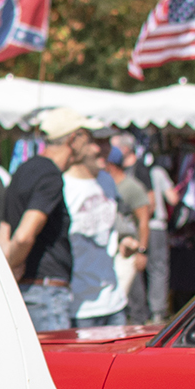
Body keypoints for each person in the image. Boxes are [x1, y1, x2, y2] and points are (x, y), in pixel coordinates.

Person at [0, 108, 96, 332]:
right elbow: (23, 236)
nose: (92, 146)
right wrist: (12, 265)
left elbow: (4, 228)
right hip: (45, 292)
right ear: (73, 139)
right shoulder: (51, 175)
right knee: (53, 355)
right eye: (88, 138)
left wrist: (6, 268)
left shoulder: (23, 169)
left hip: (25, 291)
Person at [63, 136, 126, 328]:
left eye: (107, 142)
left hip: (114, 301)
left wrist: (126, 238)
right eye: (97, 143)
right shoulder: (63, 185)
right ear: (78, 146)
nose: (104, 149)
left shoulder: (107, 180)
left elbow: (114, 221)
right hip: (79, 306)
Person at [103, 142, 151, 313]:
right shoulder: (103, 184)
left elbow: (143, 221)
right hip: (107, 248)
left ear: (111, 164)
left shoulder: (132, 187)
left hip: (127, 248)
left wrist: (142, 251)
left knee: (120, 296)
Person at [140, 137, 180, 321]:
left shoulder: (133, 171)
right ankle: (157, 311)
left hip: (138, 226)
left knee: (142, 267)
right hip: (155, 225)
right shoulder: (158, 172)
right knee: (158, 268)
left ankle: (143, 310)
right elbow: (173, 198)